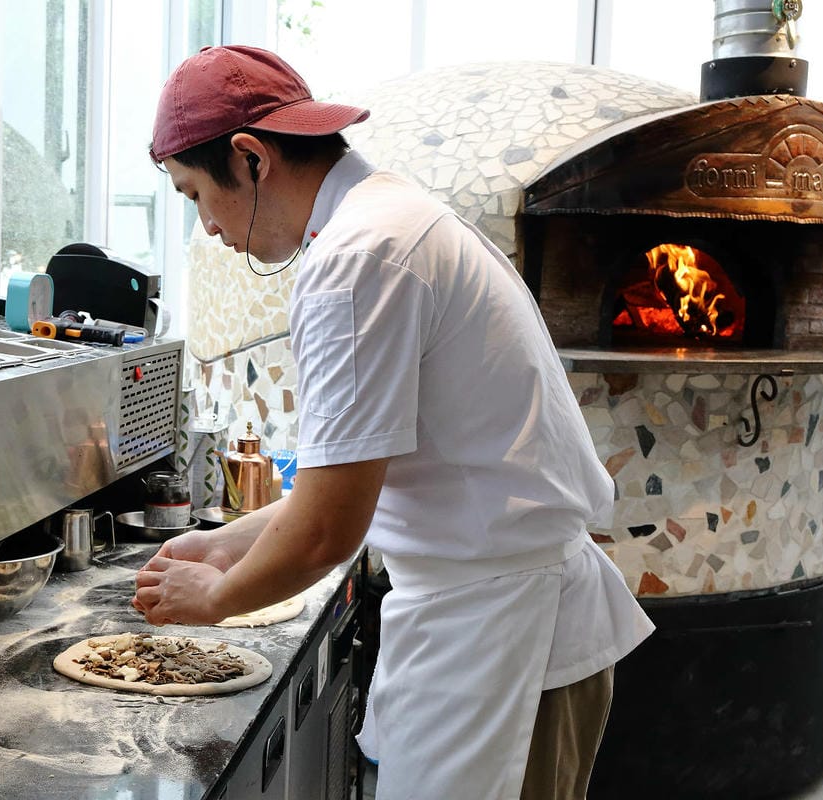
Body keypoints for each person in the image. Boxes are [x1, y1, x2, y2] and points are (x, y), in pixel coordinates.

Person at [134, 44, 654, 800]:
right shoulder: (386, 220)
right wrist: (223, 545)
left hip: (501, 640)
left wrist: (211, 600)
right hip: (483, 620)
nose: (207, 228)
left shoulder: (358, 259)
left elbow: (325, 532)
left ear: (250, 159)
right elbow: (352, 483)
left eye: (192, 194)